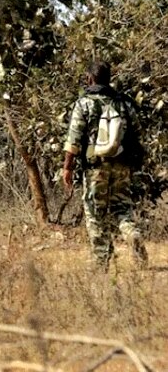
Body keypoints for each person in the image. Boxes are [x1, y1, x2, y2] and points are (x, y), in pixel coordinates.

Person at [63, 61, 148, 272]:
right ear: (109, 78)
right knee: (122, 207)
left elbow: (74, 139)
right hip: (121, 166)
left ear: (90, 79)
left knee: (94, 212)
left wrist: (67, 167)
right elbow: (138, 133)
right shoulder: (124, 103)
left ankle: (101, 261)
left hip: (95, 168)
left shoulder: (84, 104)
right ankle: (131, 233)